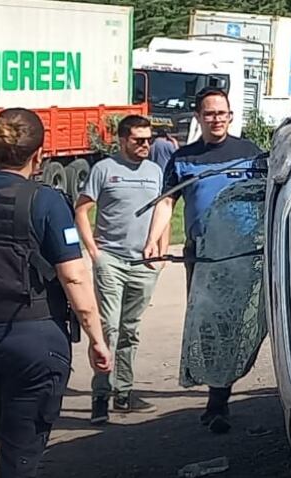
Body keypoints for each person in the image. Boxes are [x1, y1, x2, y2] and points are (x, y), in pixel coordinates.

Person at [0, 108, 113, 477]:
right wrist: (97, 338)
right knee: (20, 452)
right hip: (33, 339)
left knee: (8, 443)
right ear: (39, 154)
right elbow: (74, 278)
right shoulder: (47, 201)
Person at [143, 88, 263, 434]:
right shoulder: (183, 158)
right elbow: (167, 203)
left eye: (222, 113)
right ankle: (218, 398)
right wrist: (153, 240)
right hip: (204, 256)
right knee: (210, 325)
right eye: (209, 113)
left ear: (231, 115)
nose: (216, 119)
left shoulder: (251, 154)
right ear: (198, 118)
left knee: (243, 325)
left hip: (246, 253)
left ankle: (230, 392)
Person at [75, 115, 167, 424]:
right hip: (111, 259)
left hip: (144, 263)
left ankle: (124, 393)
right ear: (123, 140)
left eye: (148, 140)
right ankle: (101, 395)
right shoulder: (104, 170)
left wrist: (161, 251)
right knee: (109, 328)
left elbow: (163, 209)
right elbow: (82, 209)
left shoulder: (155, 171)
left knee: (131, 329)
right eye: (138, 140)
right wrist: (93, 250)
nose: (145, 145)